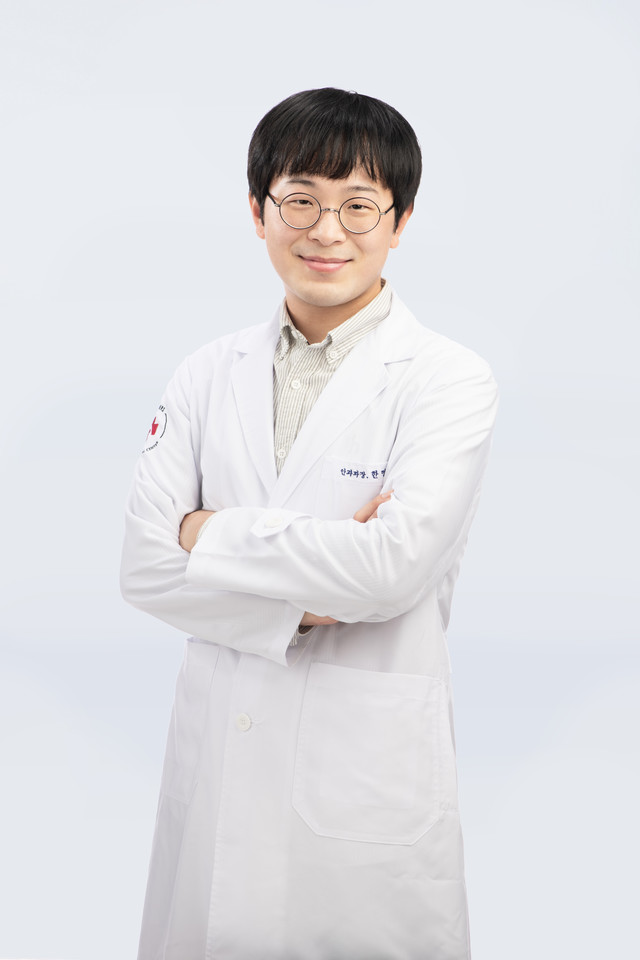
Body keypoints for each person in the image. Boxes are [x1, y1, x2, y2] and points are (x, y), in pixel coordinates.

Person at [121, 87, 498, 960]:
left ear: (399, 222)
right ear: (259, 211)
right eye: (300, 200)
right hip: (220, 764)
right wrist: (306, 602)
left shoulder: (447, 380)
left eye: (359, 205)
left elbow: (390, 572)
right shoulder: (205, 374)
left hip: (364, 778)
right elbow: (142, 567)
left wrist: (206, 533)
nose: (327, 231)